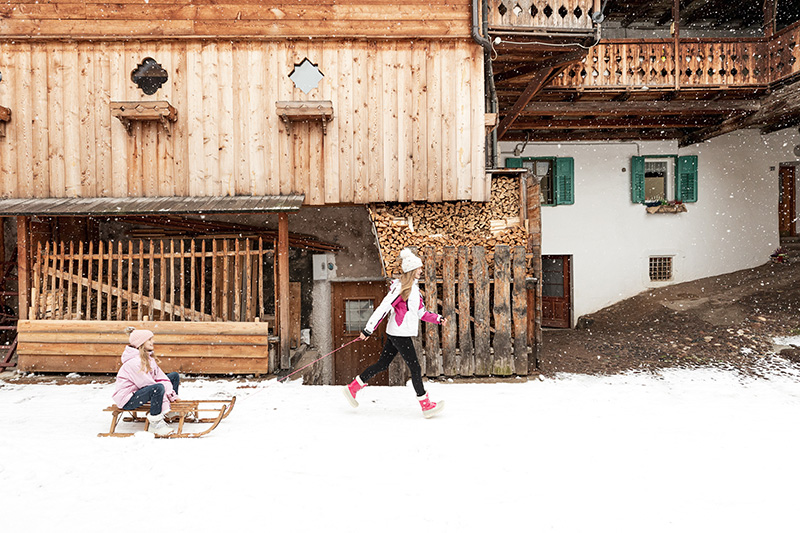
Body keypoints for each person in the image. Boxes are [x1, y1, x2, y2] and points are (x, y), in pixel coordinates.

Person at [342, 248, 446, 418]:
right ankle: (425, 404)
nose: (421, 270)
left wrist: (438, 318)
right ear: (412, 270)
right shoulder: (399, 289)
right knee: (415, 367)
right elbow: (383, 308)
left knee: (383, 364)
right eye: (419, 268)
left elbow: (421, 313)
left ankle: (353, 387)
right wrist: (368, 329)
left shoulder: (415, 291)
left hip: (398, 332)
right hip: (399, 333)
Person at [112, 327, 180, 436]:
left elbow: (161, 377)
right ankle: (155, 424)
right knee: (157, 388)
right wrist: (165, 399)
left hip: (139, 392)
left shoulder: (148, 359)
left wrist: (171, 395)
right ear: (141, 343)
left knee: (173, 376)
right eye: (149, 339)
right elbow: (147, 384)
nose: (152, 342)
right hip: (128, 399)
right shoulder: (134, 363)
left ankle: (169, 411)